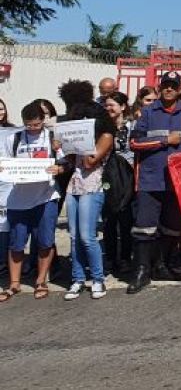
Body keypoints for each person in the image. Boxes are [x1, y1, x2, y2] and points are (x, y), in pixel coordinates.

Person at [127, 73, 181, 293]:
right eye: (166, 86)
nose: (169, 89)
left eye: (173, 86)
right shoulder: (148, 112)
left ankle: (161, 265)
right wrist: (165, 140)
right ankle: (141, 270)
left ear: (179, 90)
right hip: (151, 179)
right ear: (160, 89)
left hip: (176, 182)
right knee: (144, 227)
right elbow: (134, 142)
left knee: (171, 228)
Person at [1, 102, 64, 302]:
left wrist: (59, 169)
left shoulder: (53, 138)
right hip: (18, 200)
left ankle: (40, 280)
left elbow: (66, 162)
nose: (33, 128)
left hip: (46, 197)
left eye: (36, 124)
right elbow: (5, 162)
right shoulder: (14, 138)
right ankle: (14, 284)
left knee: (45, 241)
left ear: (42, 121)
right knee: (17, 243)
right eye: (29, 125)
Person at [62, 101, 116, 300]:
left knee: (87, 236)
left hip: (93, 187)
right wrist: (63, 147)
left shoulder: (105, 136)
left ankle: (97, 279)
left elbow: (89, 161)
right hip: (74, 186)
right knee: (74, 236)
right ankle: (77, 279)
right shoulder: (80, 137)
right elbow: (71, 162)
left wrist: (80, 143)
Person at [101, 92, 135, 274]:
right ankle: (111, 258)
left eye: (112, 105)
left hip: (126, 177)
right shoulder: (102, 127)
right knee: (108, 219)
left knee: (126, 219)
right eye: (106, 105)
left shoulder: (131, 127)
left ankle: (125, 258)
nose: (108, 109)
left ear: (122, 107)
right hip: (107, 178)